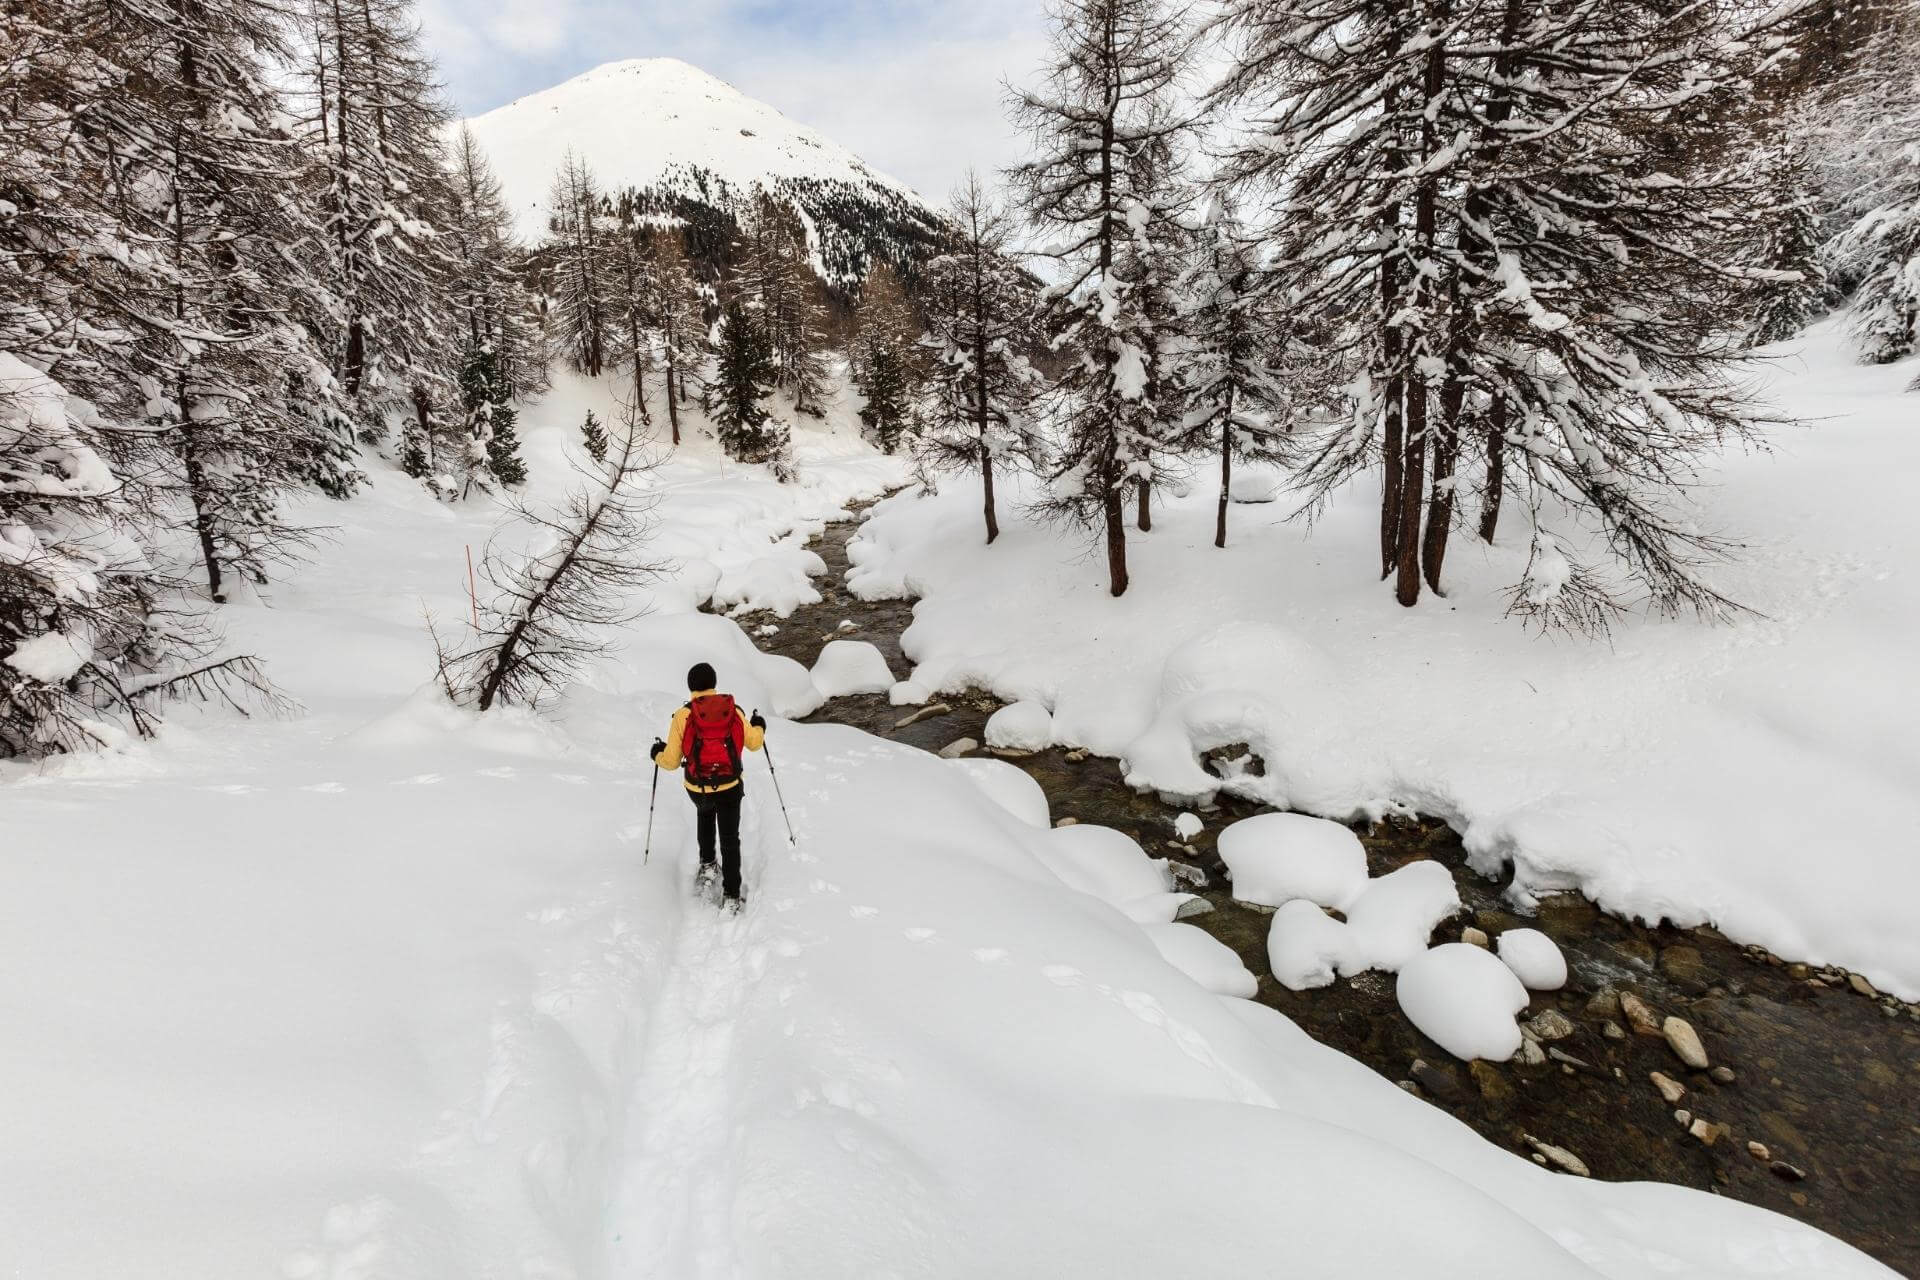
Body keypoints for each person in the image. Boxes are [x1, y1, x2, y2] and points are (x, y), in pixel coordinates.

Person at [651, 662, 765, 909]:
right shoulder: (733, 710)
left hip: (698, 787)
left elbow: (671, 761)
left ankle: (708, 866)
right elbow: (754, 743)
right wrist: (759, 725)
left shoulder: (683, 715)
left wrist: (656, 754)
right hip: (730, 785)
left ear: (690, 686)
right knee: (730, 838)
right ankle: (732, 895)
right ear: (714, 684)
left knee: (704, 817)